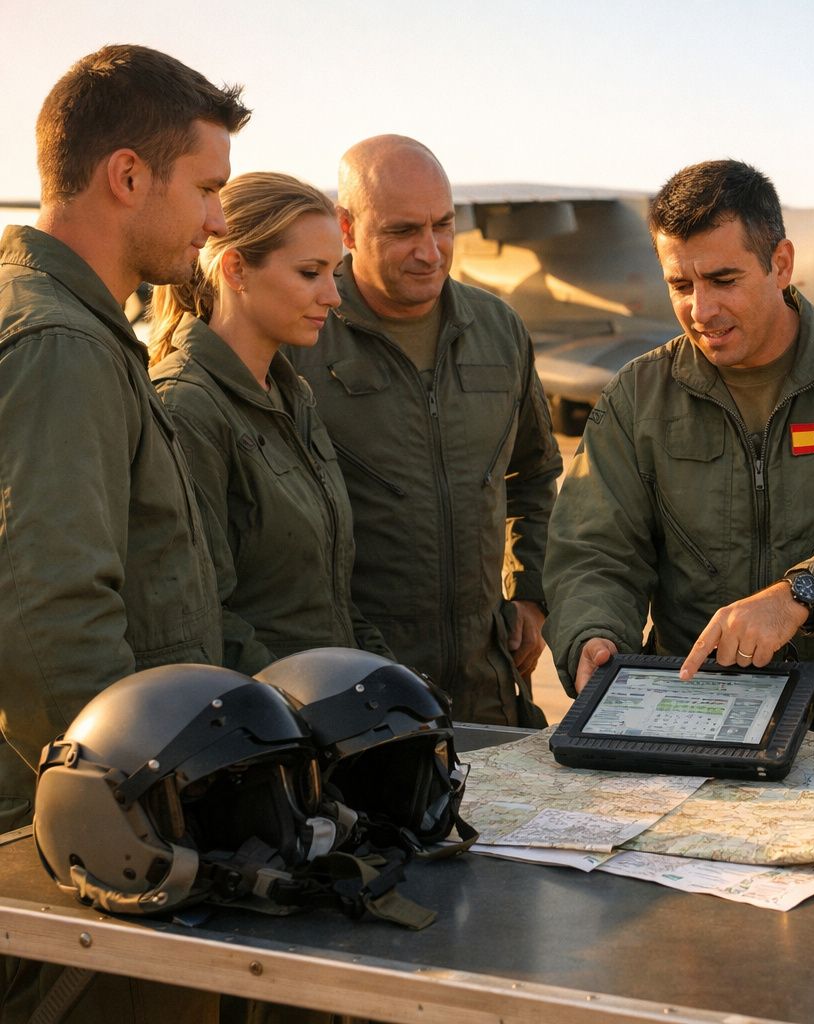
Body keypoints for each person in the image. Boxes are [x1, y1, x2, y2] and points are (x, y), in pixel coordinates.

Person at [542, 159, 814, 745]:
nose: (701, 309)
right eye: (680, 285)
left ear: (781, 264)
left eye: (723, 280)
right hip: (693, 715)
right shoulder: (637, 396)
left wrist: (804, 594)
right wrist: (591, 633)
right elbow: (593, 548)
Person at [0, 43, 248, 1023]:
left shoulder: (67, 325)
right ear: (128, 175)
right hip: (91, 866)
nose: (220, 219)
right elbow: (52, 618)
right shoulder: (60, 346)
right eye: (207, 188)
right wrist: (143, 831)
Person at [288, 136, 561, 727]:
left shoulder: (497, 329)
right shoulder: (300, 338)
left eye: (443, 225)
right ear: (347, 227)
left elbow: (535, 473)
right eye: (403, 231)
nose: (431, 251)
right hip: (358, 691)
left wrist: (533, 597)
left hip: (488, 681)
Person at [149, 172, 393, 673]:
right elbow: (203, 615)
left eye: (334, 273)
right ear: (236, 269)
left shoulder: (290, 394)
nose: (333, 296)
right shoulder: (186, 408)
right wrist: (304, 712)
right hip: (270, 728)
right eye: (310, 273)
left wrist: (388, 680)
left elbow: (329, 598)